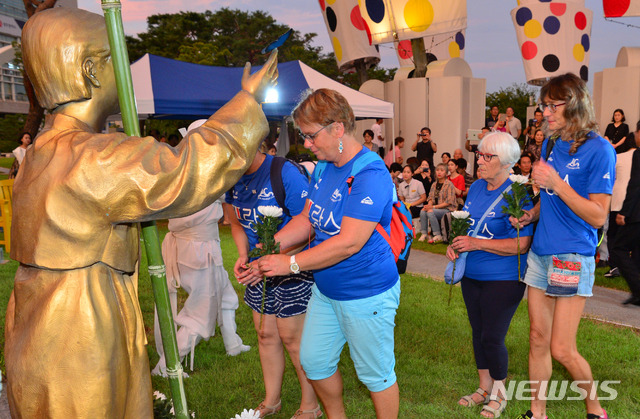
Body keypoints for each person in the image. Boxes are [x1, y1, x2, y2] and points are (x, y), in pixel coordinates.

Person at [6, 8, 278, 418]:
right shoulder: (92, 156)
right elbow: (187, 173)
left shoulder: (40, 153)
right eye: (117, 59)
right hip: (79, 322)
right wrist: (248, 101)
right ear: (90, 71)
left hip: (37, 319)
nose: (127, 73)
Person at [244, 88, 400, 418]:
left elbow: (349, 242)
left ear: (338, 128)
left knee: (376, 375)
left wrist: (291, 263)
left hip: (365, 293)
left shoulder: (370, 174)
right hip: (327, 291)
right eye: (304, 136)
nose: (308, 145)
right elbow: (307, 220)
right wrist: (267, 251)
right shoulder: (327, 168)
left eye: (312, 136)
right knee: (314, 364)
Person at [511, 73, 614, 419]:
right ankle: (536, 412)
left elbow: (598, 215)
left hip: (572, 255)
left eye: (552, 105)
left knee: (561, 348)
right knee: (537, 338)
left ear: (574, 105)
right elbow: (551, 198)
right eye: (543, 105)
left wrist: (556, 182)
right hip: (541, 253)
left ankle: (595, 408)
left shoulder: (600, 150)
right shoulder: (550, 144)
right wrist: (531, 214)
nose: (545, 112)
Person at [224, 149, 320, 418]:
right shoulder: (231, 177)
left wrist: (270, 261)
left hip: (291, 266)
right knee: (265, 335)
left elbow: (309, 225)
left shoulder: (284, 172)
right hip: (257, 268)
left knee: (293, 338)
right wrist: (244, 255)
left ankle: (310, 406)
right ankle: (271, 401)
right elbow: (235, 223)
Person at [448, 132, 533, 419]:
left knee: (493, 337)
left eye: (487, 156)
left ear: (506, 162)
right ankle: (484, 387)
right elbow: (468, 227)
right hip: (472, 274)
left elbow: (522, 243)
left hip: (505, 278)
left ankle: (499, 392)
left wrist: (477, 244)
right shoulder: (475, 189)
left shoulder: (518, 192)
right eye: (479, 155)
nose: (479, 161)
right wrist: (456, 244)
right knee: (478, 333)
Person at [153, 196, 250, 377]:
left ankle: (233, 344)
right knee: (201, 313)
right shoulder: (201, 174)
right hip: (199, 249)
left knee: (226, 297)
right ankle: (166, 365)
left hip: (200, 246)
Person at [610, 121, 640, 305]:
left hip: (636, 213)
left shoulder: (638, 154)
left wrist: (624, 212)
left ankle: (638, 288)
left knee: (618, 249)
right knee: (637, 252)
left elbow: (636, 185)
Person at [419, 163, 457, 243]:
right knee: (423, 210)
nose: (439, 172)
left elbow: (448, 202)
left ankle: (438, 235)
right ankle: (424, 233)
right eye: (437, 170)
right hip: (436, 208)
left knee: (430, 212)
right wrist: (429, 205)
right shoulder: (434, 184)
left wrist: (432, 207)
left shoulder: (449, 184)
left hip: (448, 210)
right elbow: (430, 198)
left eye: (442, 170)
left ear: (446, 173)